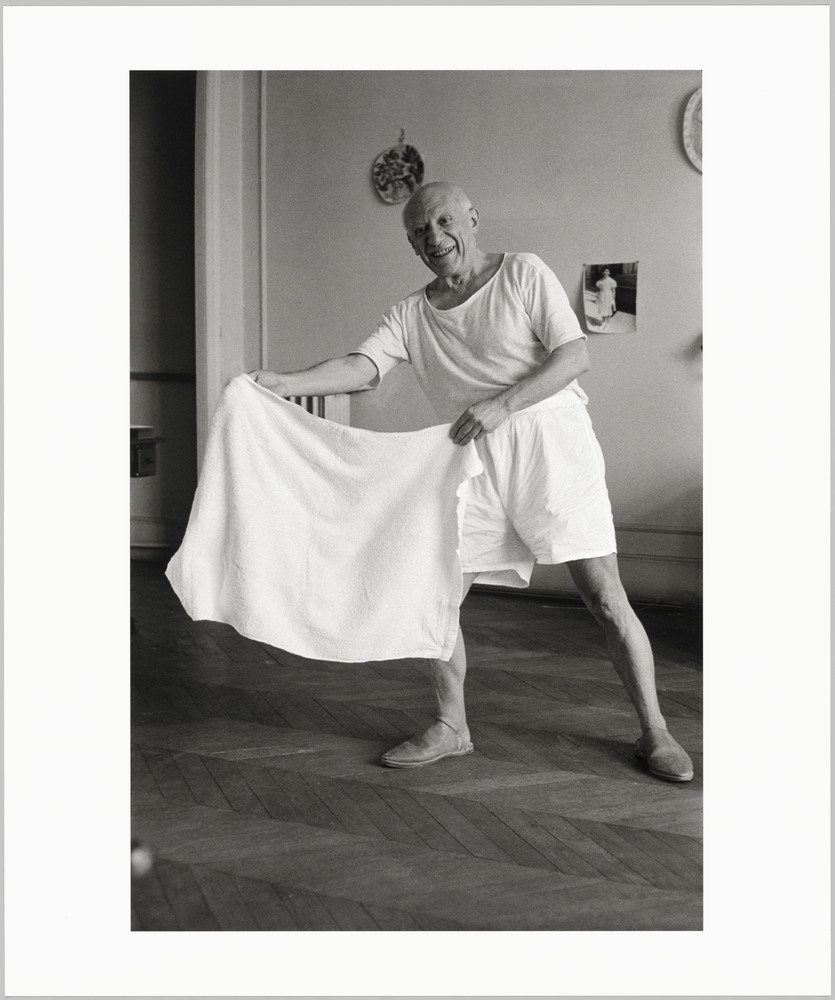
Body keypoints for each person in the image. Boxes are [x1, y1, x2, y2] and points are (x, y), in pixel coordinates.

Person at [249, 181, 693, 783]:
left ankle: (655, 731)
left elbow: (574, 357)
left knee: (605, 597)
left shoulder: (523, 273)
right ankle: (451, 726)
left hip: (551, 446)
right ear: (411, 244)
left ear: (472, 219)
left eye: (443, 221)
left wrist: (503, 405)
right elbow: (362, 366)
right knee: (435, 595)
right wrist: (282, 382)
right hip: (470, 458)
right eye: (419, 231)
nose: (434, 237)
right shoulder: (410, 313)